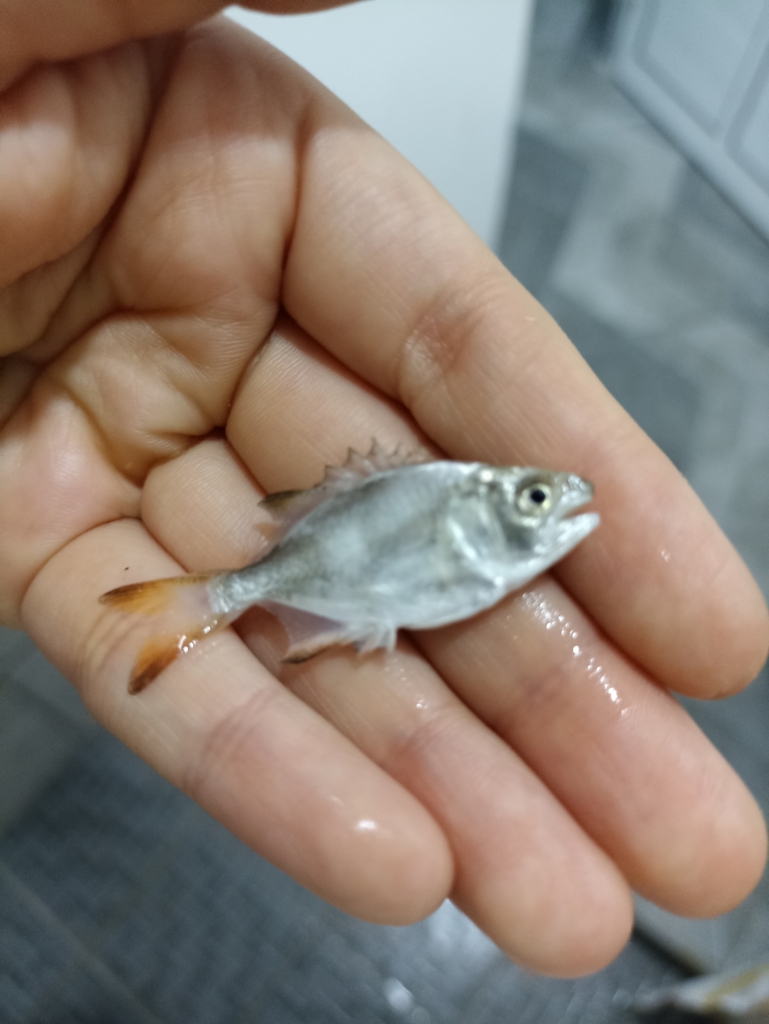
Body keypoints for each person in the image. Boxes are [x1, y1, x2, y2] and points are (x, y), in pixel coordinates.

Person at [1, 0, 767, 979]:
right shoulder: (459, 508)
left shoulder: (467, 515)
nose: (553, 509)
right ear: (496, 504)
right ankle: (203, 604)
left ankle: (201, 605)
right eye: (533, 500)